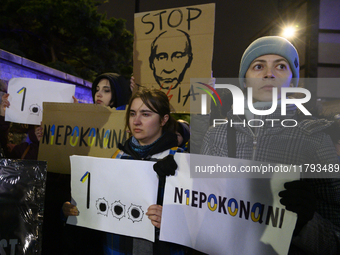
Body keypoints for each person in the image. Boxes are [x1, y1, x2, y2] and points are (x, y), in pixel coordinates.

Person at [201, 36, 340, 254]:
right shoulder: (215, 134)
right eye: (258, 66)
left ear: (293, 82)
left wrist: (306, 222)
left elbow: (335, 238)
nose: (269, 73)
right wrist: (174, 174)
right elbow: (199, 209)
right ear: (244, 80)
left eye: (281, 66)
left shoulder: (316, 139)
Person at [63, 88, 188, 254]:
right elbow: (97, 204)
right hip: (116, 249)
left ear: (164, 120)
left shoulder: (180, 160)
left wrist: (172, 218)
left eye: (145, 114)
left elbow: (198, 220)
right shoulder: (117, 157)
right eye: (132, 113)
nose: (136, 121)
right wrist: (70, 210)